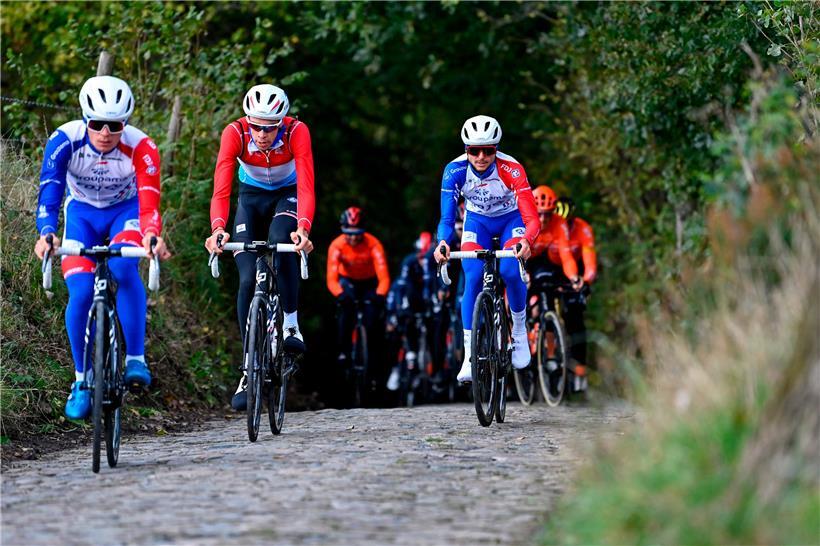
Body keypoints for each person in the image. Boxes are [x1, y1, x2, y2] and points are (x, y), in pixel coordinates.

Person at [33, 75, 169, 419]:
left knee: (123, 267)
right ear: (84, 119)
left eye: (115, 125)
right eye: (97, 124)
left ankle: (135, 358)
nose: (105, 132)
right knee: (79, 292)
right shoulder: (63, 140)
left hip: (126, 212)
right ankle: (81, 380)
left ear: (125, 123)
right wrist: (47, 233)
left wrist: (152, 235)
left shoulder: (142, 146)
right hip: (81, 215)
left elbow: (150, 203)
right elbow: (49, 196)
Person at [204, 84, 315, 411]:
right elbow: (221, 189)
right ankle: (248, 366)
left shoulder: (297, 131)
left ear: (281, 122)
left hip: (288, 194)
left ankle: (291, 324)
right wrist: (218, 230)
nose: (262, 134)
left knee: (284, 241)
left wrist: (304, 229)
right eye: (256, 126)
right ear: (247, 120)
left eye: (270, 128)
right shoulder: (235, 133)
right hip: (249, 199)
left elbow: (307, 184)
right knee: (248, 278)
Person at [433, 115, 539, 383]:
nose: (481, 157)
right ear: (466, 149)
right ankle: (470, 354)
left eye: (488, 150)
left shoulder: (511, 168)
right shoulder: (454, 170)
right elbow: (446, 219)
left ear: (496, 149)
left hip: (510, 221)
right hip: (477, 222)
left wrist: (527, 240)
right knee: (473, 275)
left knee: (511, 272)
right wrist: (443, 242)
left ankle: (517, 332)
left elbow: (532, 218)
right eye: (474, 151)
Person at [327, 206, 390, 375]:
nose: (353, 238)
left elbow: (383, 278)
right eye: (349, 233)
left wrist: (380, 294)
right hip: (347, 282)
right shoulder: (337, 245)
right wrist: (339, 294)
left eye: (357, 233)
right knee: (345, 312)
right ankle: (344, 352)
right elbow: (332, 279)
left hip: (369, 283)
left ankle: (374, 359)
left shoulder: (374, 244)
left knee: (372, 321)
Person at [550, 196, 597, 390]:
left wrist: (585, 281)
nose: (564, 227)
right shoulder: (548, 226)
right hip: (551, 267)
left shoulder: (583, 229)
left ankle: (579, 367)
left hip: (573, 270)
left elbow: (590, 262)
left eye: (568, 223)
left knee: (576, 315)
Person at [385, 231, 437, 391]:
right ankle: (395, 367)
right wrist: (396, 311)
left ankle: (434, 371)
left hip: (426, 302)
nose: (423, 262)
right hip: (408, 302)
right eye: (420, 258)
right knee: (397, 331)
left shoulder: (434, 263)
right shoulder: (409, 262)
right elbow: (400, 288)